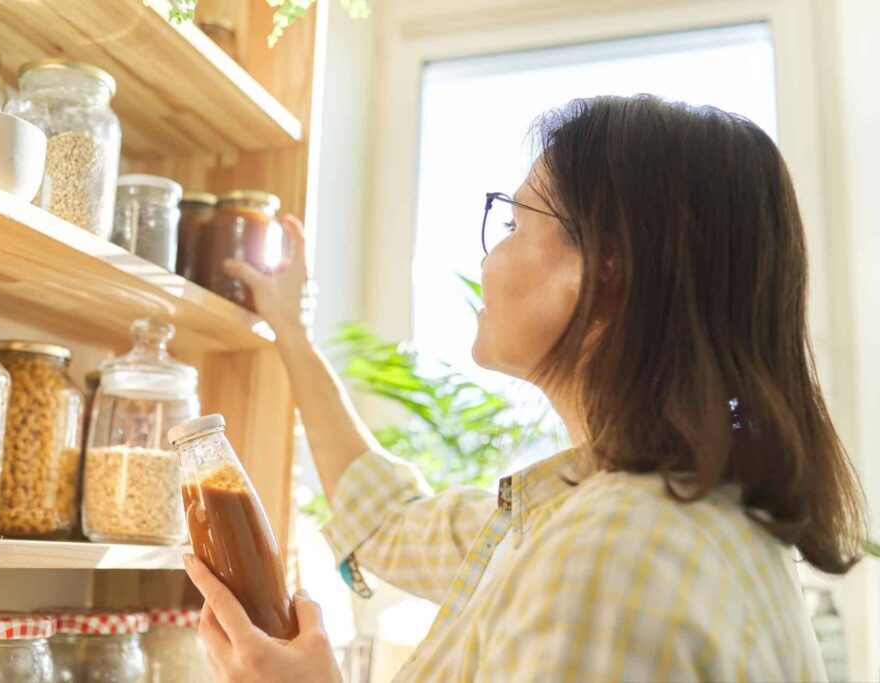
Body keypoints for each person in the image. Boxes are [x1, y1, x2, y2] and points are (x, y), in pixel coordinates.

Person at [183, 95, 867, 682]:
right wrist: (290, 329)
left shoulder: (612, 553)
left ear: (606, 270)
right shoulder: (613, 507)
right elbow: (387, 518)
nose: (488, 256)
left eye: (512, 223)